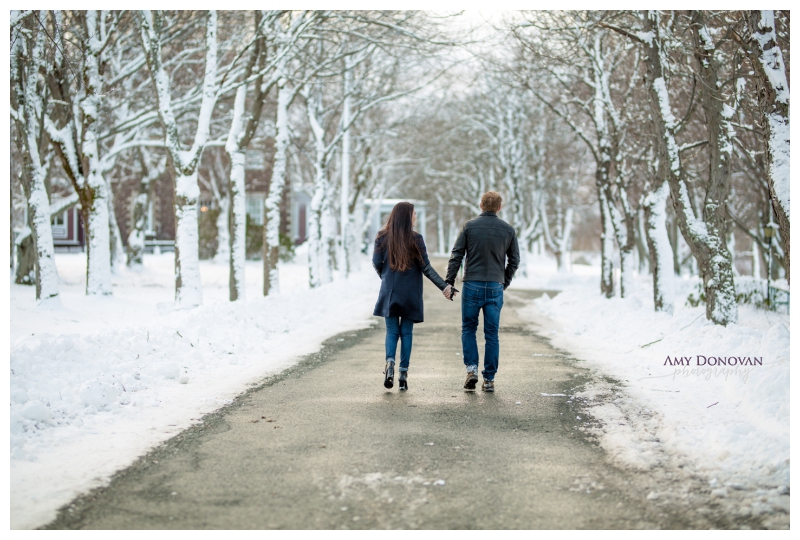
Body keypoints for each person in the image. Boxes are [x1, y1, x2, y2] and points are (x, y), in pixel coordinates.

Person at [373, 202, 454, 391]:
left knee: (392, 331)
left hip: (390, 291)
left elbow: (377, 262)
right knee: (407, 333)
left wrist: (385, 278)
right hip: (410, 293)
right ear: (407, 216)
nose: (416, 217)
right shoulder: (416, 239)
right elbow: (426, 267)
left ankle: (390, 365)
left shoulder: (382, 238)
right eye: (414, 214)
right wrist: (444, 286)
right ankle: (403, 373)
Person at [445, 191, 519, 392]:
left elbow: (457, 255)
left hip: (472, 285)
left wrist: (449, 281)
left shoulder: (469, 227)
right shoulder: (508, 230)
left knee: (468, 328)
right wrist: (504, 281)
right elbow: (515, 261)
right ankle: (489, 379)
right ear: (499, 207)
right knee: (492, 334)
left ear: (480, 205)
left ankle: (471, 370)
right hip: (495, 285)